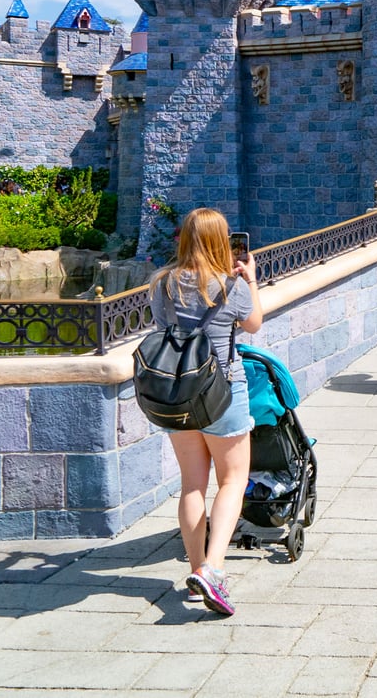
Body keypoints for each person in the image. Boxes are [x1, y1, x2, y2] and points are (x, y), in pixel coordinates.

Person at [150, 206, 262, 618]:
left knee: (191, 485)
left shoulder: (162, 284)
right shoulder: (231, 286)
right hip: (223, 391)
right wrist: (251, 279)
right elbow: (254, 325)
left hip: (179, 393)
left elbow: (163, 328)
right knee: (233, 479)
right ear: (222, 241)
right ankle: (214, 569)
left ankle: (196, 570)